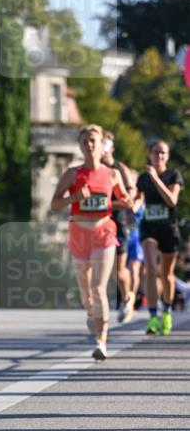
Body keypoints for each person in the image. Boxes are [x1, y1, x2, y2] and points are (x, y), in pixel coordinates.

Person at [51, 124, 133, 360]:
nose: (89, 144)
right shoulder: (72, 174)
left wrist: (125, 201)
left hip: (103, 233)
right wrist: (75, 197)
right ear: (80, 146)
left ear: (101, 146)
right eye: (85, 140)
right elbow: (55, 203)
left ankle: (102, 340)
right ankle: (91, 313)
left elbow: (121, 198)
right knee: (86, 293)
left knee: (99, 288)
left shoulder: (112, 174)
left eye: (93, 140)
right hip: (78, 232)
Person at [136, 140, 184, 335]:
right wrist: (134, 205)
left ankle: (167, 312)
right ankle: (153, 317)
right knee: (150, 270)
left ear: (168, 156)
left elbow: (172, 201)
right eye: (156, 152)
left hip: (168, 229)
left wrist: (156, 179)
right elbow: (138, 199)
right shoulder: (143, 178)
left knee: (166, 275)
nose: (159, 156)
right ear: (150, 154)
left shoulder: (173, 175)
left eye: (163, 153)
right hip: (149, 228)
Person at [101, 131, 137, 323]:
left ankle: (127, 297)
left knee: (119, 269)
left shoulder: (119, 168)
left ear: (112, 147)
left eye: (106, 144)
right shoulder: (94, 169)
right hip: (97, 224)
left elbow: (129, 198)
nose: (103, 148)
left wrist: (108, 204)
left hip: (118, 222)